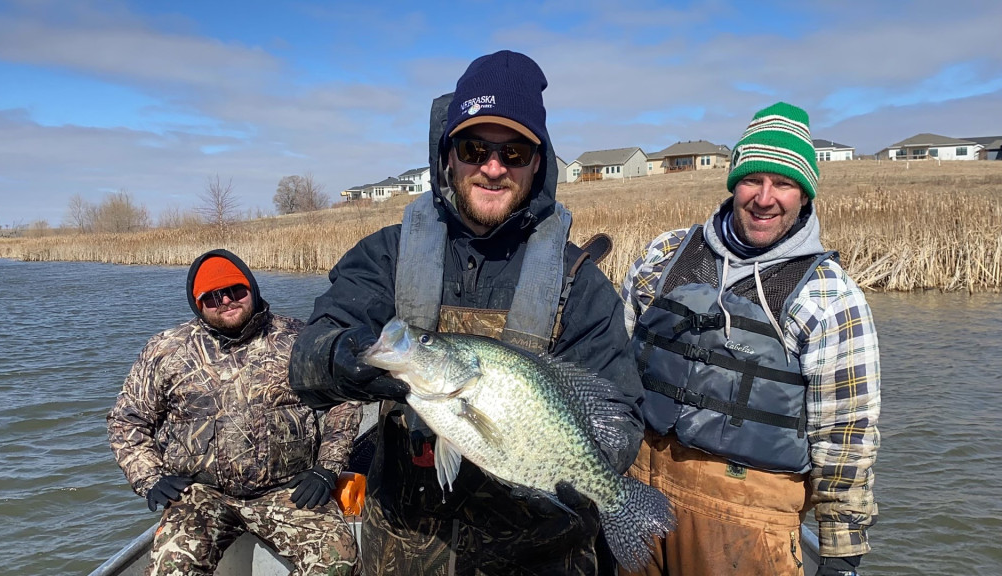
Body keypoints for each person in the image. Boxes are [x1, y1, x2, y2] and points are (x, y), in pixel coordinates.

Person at [289, 50, 644, 575]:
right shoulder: (387, 255)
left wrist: (567, 466)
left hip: (540, 556)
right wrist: (346, 357)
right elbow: (308, 361)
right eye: (475, 148)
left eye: (515, 152)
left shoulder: (581, 285)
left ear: (538, 162)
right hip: (405, 548)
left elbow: (621, 417)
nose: (493, 168)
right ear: (448, 155)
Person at [621, 102, 880, 576]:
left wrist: (841, 553)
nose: (765, 198)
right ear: (733, 183)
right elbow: (616, 364)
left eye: (783, 183)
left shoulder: (830, 298)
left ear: (805, 195)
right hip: (636, 494)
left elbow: (846, 437)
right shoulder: (665, 255)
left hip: (746, 521)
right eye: (752, 180)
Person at [107, 249, 362, 576]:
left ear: (252, 289)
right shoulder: (166, 350)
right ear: (198, 303)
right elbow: (126, 421)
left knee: (338, 560)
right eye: (212, 297)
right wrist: (150, 477)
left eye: (235, 290)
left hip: (288, 491)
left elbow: (343, 399)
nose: (226, 300)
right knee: (168, 570)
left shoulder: (298, 339)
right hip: (200, 496)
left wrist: (326, 469)